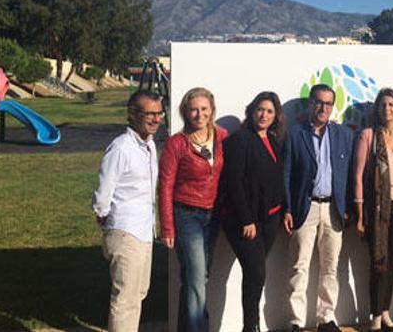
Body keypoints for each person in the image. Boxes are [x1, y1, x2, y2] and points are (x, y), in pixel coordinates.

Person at [283, 84, 355, 332]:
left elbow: (348, 175)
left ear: (332, 106)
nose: (322, 107)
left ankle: (326, 318)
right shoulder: (295, 134)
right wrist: (288, 209)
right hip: (306, 208)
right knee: (299, 267)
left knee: (330, 267)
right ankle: (296, 322)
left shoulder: (344, 135)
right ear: (310, 104)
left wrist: (348, 208)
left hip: (333, 209)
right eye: (318, 102)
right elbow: (287, 174)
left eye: (327, 103)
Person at [92, 90, 163, 332]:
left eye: (159, 113)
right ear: (132, 114)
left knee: (138, 293)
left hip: (144, 230)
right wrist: (104, 216)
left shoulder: (150, 146)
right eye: (149, 114)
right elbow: (105, 187)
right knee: (125, 299)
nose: (155, 119)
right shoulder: (121, 148)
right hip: (125, 230)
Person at [159, 87, 229, 332]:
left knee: (195, 279)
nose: (199, 114)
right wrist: (167, 226)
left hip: (213, 216)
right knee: (197, 280)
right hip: (186, 215)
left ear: (211, 110)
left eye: (204, 109)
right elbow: (165, 185)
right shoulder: (176, 143)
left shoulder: (222, 137)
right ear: (185, 112)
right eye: (193, 109)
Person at [222, 91, 287, 332]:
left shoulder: (272, 140)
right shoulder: (239, 140)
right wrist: (246, 219)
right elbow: (234, 182)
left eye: (270, 111)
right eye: (260, 109)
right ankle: (251, 326)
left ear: (276, 116)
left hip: (270, 219)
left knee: (254, 276)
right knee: (256, 273)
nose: (264, 114)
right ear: (252, 111)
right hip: (246, 222)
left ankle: (251, 325)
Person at [354, 87, 393, 332]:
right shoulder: (368, 136)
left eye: (391, 105)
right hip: (376, 211)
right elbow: (358, 177)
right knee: (378, 264)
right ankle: (375, 317)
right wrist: (360, 216)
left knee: (392, 264)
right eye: (382, 105)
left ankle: (387, 313)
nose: (387, 109)